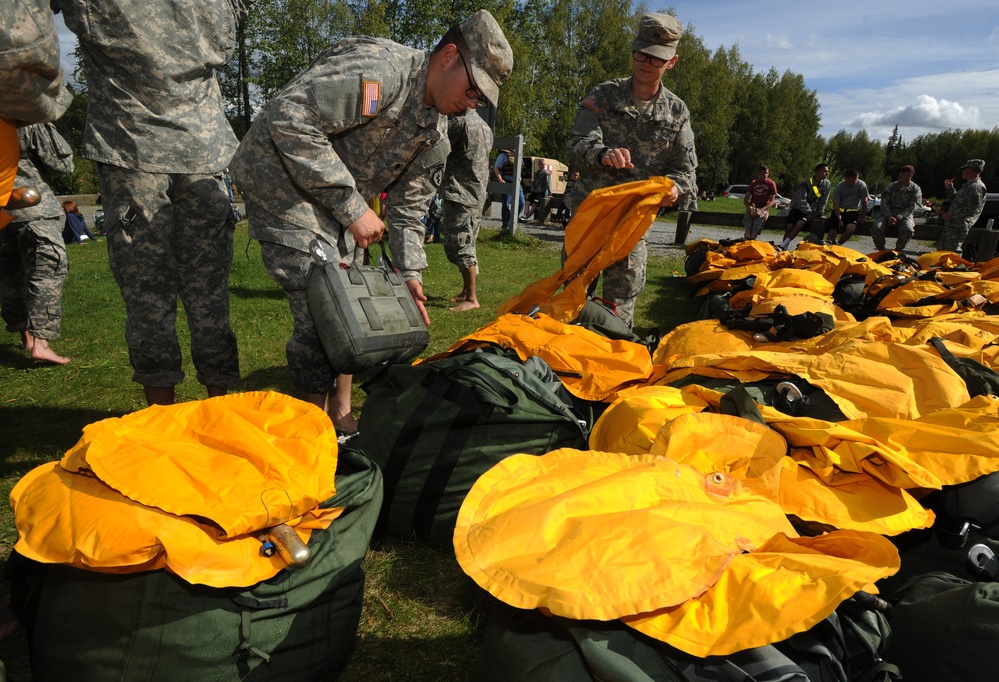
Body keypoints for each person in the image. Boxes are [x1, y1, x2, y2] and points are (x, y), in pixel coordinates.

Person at [230, 11, 513, 429]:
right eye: (473, 89)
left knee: (356, 305)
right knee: (325, 310)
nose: (473, 103)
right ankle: (313, 432)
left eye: (480, 100)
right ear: (449, 55)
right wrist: (353, 207)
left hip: (336, 205)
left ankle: (341, 416)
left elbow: (410, 208)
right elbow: (288, 117)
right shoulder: (382, 71)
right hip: (282, 184)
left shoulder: (434, 131)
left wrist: (411, 272)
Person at [54, 0, 247, 407]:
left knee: (148, 295)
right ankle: (217, 410)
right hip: (201, 149)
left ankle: (173, 416)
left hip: (134, 148)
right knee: (208, 293)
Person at [565, 12, 696, 327]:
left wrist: (675, 189)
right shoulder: (604, 95)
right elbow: (575, 144)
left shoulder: (677, 113)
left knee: (618, 313)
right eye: (641, 53)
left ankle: (610, 368)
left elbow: (686, 173)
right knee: (571, 303)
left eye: (655, 59)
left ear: (672, 62)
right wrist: (603, 153)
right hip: (589, 219)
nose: (645, 63)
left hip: (632, 228)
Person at [0, 123, 73, 364]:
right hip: (31, 205)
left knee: (10, 273)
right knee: (48, 268)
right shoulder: (24, 113)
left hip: (2, 210)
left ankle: (26, 336)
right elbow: (61, 164)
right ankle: (40, 342)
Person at [440, 110, 494, 312]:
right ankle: (465, 292)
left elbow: (437, 145)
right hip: (476, 192)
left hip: (461, 191)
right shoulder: (485, 127)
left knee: (461, 243)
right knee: (468, 240)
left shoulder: (460, 124)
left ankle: (472, 298)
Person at [937, 159, 988, 254]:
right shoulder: (969, 185)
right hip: (953, 224)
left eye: (965, 169)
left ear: (971, 170)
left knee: (952, 253)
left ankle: (953, 269)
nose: (962, 171)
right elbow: (957, 200)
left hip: (959, 225)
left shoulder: (976, 187)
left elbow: (971, 208)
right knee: (943, 250)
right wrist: (950, 189)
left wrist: (950, 214)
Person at [872, 164, 922, 252]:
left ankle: (897, 251)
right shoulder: (892, 186)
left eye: (903, 173)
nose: (900, 175)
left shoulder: (915, 189)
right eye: (900, 173)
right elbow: (884, 202)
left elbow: (913, 206)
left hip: (905, 215)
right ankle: (882, 250)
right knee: (877, 227)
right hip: (888, 213)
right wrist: (888, 216)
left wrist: (899, 217)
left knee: (908, 230)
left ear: (910, 175)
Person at [779, 164, 830, 250]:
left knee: (800, 224)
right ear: (817, 171)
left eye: (827, 171)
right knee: (789, 227)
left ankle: (782, 246)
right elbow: (801, 200)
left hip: (810, 212)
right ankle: (784, 248)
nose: (826, 173)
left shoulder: (826, 184)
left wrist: (819, 213)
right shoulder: (806, 184)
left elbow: (823, 200)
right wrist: (808, 212)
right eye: (824, 171)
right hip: (797, 208)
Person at [822, 169, 869, 245]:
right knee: (832, 233)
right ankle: (830, 244)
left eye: (856, 180)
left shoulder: (861, 185)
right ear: (846, 178)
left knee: (851, 229)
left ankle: (838, 244)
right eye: (852, 180)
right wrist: (840, 220)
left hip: (852, 211)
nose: (854, 182)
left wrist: (863, 217)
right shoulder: (839, 187)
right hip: (839, 211)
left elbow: (865, 201)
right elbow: (836, 204)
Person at [742, 165, 778, 240]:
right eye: (762, 173)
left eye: (766, 173)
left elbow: (773, 201)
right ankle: (746, 241)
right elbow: (745, 199)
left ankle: (752, 240)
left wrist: (762, 210)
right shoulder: (754, 183)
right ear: (759, 174)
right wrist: (749, 208)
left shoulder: (771, 184)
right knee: (748, 226)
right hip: (753, 207)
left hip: (763, 208)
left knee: (756, 227)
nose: (765, 175)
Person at [494, 148, 524, 229]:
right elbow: (497, 168)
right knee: (506, 204)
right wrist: (500, 180)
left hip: (517, 183)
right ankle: (505, 224)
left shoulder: (519, 155)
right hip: (507, 181)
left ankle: (512, 220)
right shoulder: (503, 155)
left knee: (522, 203)